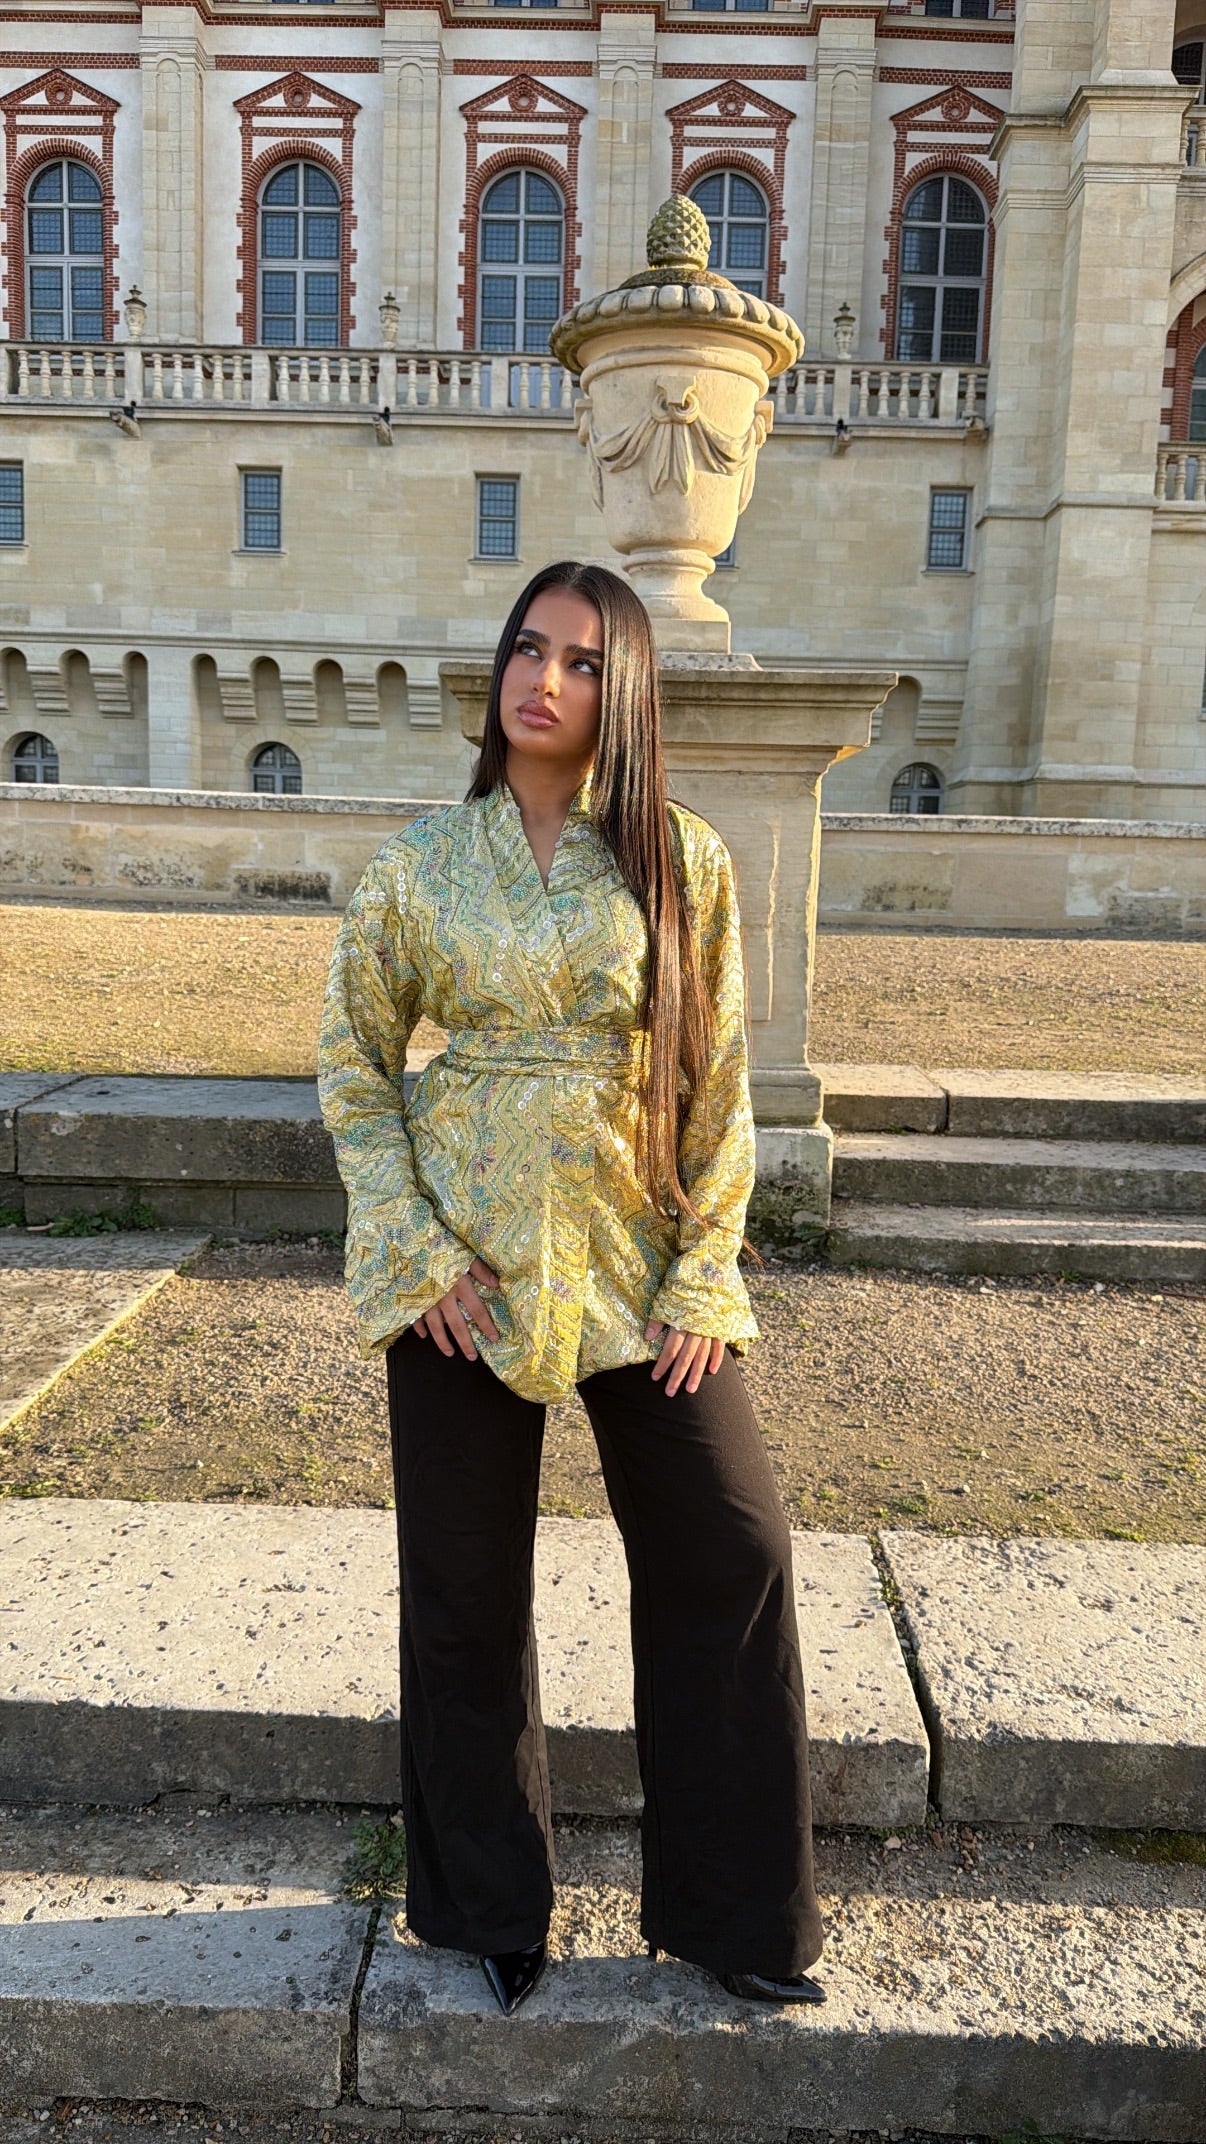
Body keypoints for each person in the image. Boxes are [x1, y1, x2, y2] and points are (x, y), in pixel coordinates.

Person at [317, 559, 825, 2019]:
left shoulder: (681, 861)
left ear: (627, 691)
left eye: (586, 661)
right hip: (463, 1282)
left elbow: (717, 1081)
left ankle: (737, 1914)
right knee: (464, 1592)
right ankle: (487, 1908)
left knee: (732, 1550)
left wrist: (705, 1272)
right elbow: (355, 1066)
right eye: (529, 649)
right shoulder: (420, 865)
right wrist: (415, 1252)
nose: (546, 680)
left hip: (637, 1264)